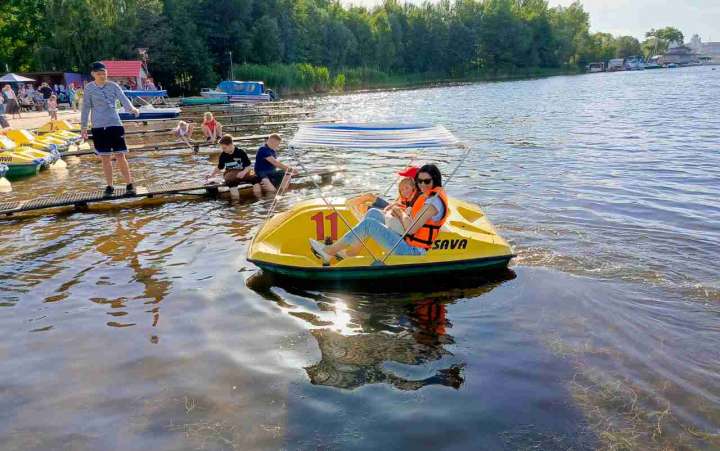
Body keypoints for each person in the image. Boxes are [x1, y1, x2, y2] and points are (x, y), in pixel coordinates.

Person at [310, 164, 449, 265]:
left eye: (426, 181)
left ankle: (329, 252)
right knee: (374, 213)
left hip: (413, 251)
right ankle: (351, 253)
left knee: (369, 224)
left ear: (435, 180)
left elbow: (411, 229)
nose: (422, 184)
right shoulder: (427, 197)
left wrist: (400, 212)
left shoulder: (433, 203)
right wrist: (398, 212)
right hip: (406, 241)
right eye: (419, 181)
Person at [80, 61, 140, 197]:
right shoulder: (89, 88)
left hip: (115, 124)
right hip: (98, 126)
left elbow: (124, 99)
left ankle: (129, 185)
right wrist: (83, 127)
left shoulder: (113, 86)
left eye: (104, 73)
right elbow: (86, 107)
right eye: (99, 74)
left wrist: (132, 109)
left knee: (120, 155)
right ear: (93, 74)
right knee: (105, 157)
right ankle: (109, 186)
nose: (102, 76)